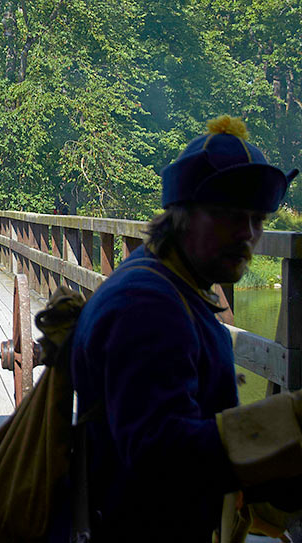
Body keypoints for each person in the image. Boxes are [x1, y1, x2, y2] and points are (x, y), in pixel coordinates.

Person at [69, 116, 300, 543]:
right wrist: (286, 424)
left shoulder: (167, 283)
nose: (248, 234)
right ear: (183, 216)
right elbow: (158, 455)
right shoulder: (147, 306)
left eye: (257, 218)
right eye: (230, 216)